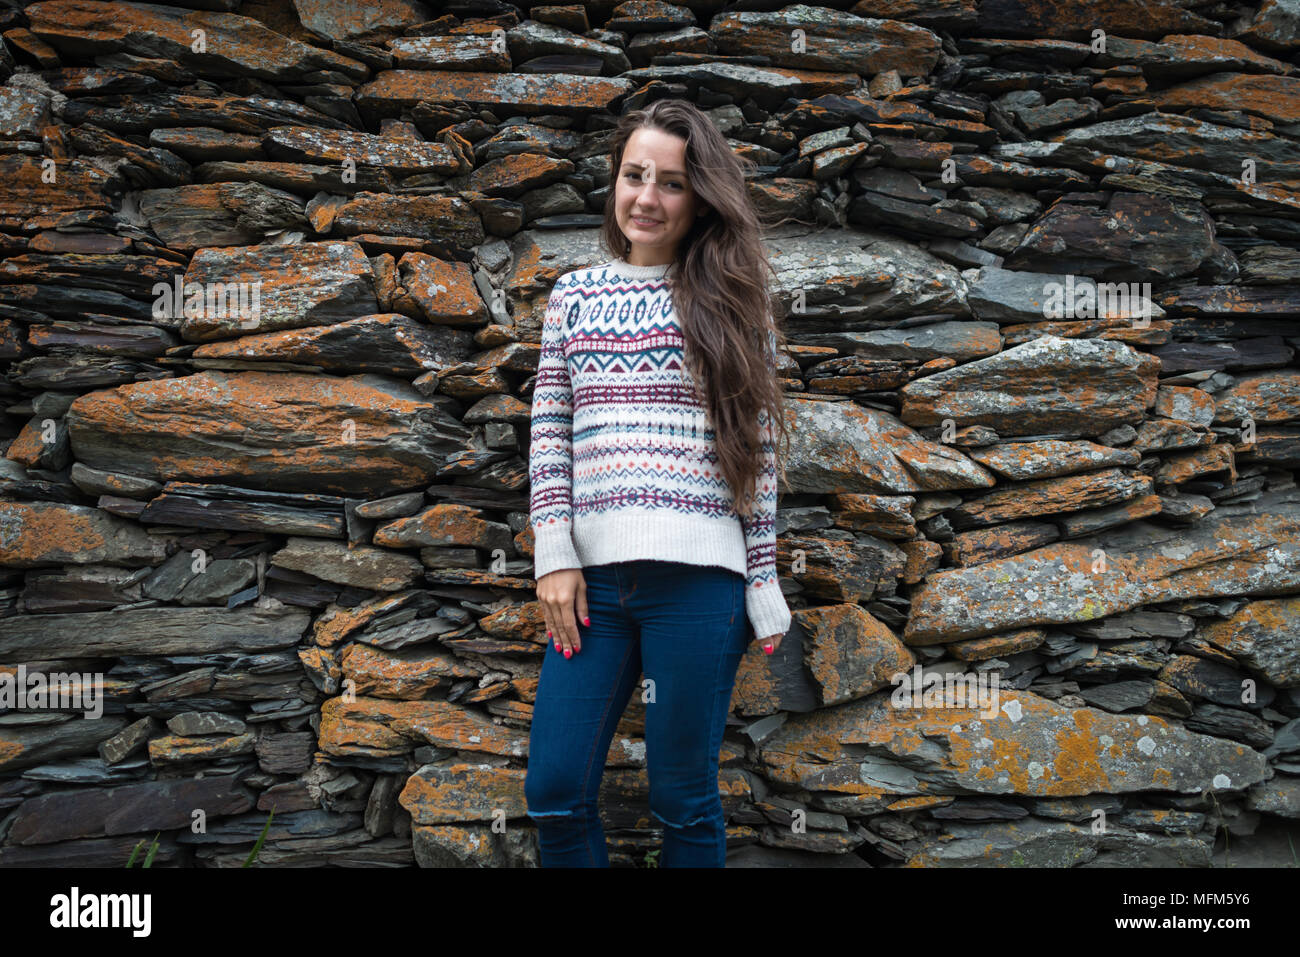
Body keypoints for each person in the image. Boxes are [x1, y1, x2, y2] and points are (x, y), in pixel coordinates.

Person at [523, 98, 793, 868]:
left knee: (683, 799)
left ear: (700, 196)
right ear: (614, 181)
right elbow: (549, 433)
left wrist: (763, 576)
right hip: (593, 589)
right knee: (554, 788)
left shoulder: (732, 302)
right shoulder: (573, 297)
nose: (647, 197)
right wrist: (554, 553)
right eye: (634, 175)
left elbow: (760, 452)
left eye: (671, 183)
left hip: (701, 586)